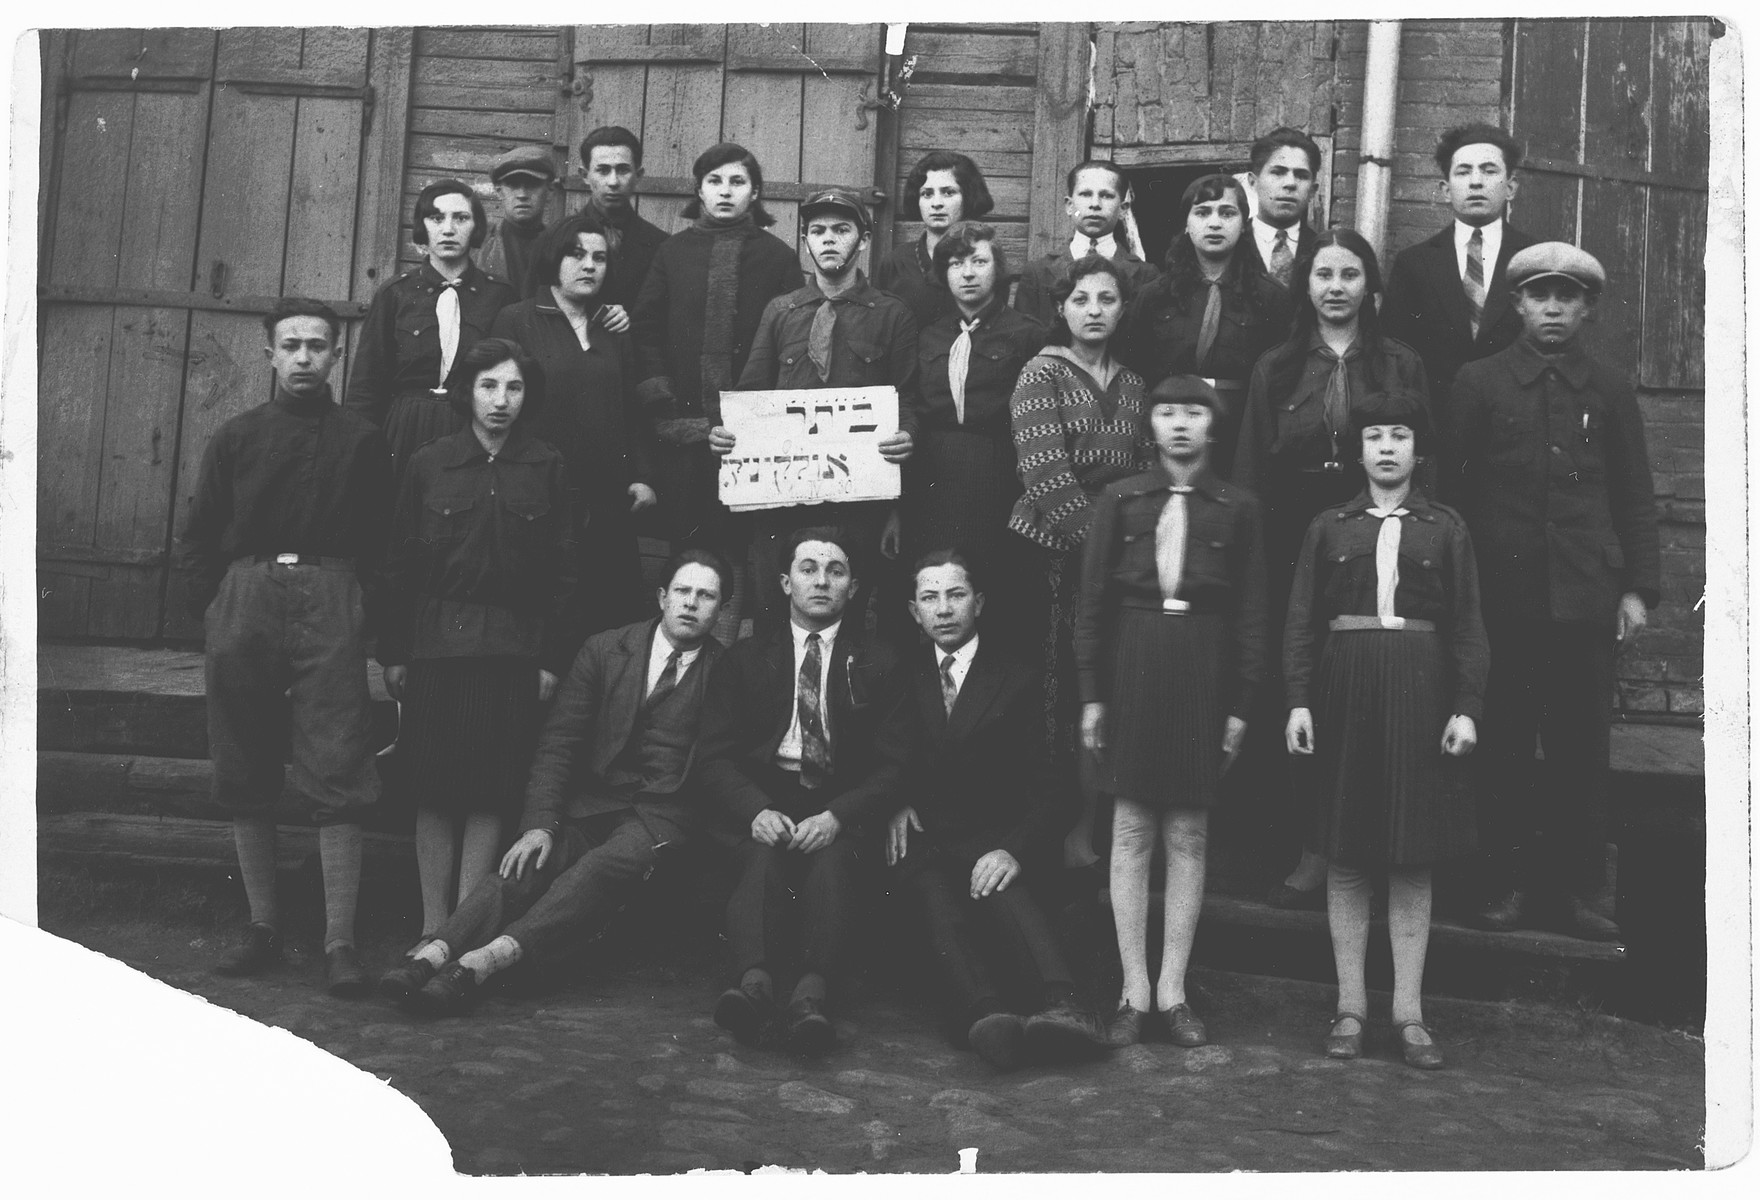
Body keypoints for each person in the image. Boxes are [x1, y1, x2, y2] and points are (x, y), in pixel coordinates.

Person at [377, 551, 732, 1014]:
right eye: (683, 591)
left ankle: (482, 963)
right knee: (526, 863)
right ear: (662, 597)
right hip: (594, 802)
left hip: (661, 816)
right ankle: (433, 956)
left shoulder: (727, 672)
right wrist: (540, 824)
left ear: (721, 610)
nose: (691, 604)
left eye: (706, 596)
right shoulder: (606, 650)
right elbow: (559, 743)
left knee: (598, 869)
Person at [176, 297, 394, 996]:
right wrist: (216, 614)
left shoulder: (362, 439)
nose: (304, 356)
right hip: (247, 597)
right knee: (244, 758)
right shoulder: (236, 437)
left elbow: (385, 542)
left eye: (318, 345)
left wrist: (371, 625)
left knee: (338, 760)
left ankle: (340, 942)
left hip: (332, 596)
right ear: (269, 354)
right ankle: (261, 927)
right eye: (291, 344)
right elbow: (198, 535)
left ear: (337, 356)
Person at [1445, 243, 1660, 942]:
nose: (1553, 308)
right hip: (1502, 603)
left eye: (1567, 297)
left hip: (1585, 601)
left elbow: (1633, 496)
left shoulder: (1609, 388)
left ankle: (1581, 894)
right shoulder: (1479, 384)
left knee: (1579, 749)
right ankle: (1501, 884)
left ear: (1587, 308)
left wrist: (1637, 592)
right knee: (1502, 744)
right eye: (1540, 296)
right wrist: (1458, 596)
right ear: (1517, 303)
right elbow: (1450, 493)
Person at [1283, 395, 1488, 1070]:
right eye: (1375, 436)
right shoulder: (1328, 526)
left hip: (1420, 693)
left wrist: (1466, 707)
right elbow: (1301, 622)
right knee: (1345, 853)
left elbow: (1467, 626)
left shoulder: (1446, 527)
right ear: (1359, 450)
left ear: (1416, 450)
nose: (1388, 448)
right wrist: (1299, 702)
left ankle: (1409, 1013)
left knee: (1409, 854)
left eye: (1400, 435)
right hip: (1346, 691)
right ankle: (1349, 1006)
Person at [1233, 229, 1430, 910]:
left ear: (1370, 288)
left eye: (1351, 274)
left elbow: (1420, 454)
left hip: (1374, 529)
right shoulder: (1277, 367)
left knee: (1366, 685)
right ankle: (1311, 844)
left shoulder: (1400, 363)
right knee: (1303, 683)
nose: (1337, 286)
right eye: (1324, 274)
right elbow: (1252, 471)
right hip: (1295, 534)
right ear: (1307, 285)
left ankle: (1371, 848)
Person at [1076, 376, 1268, 1049]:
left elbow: (1250, 612)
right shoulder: (1121, 500)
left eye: (1193, 414)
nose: (1180, 425)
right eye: (1167, 413)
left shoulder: (1237, 508)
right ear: (1150, 426)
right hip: (1134, 659)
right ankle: (1132, 991)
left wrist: (1242, 704)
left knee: (1187, 833)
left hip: (1203, 666)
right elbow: (1093, 603)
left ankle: (1174, 991)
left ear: (1212, 428)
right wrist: (1093, 694)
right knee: (1130, 830)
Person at [379, 338, 577, 944]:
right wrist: (393, 652)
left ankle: (462, 928)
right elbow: (398, 563)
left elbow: (565, 571)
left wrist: (550, 657)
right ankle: (429, 924)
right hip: (437, 644)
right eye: (489, 386)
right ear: (467, 391)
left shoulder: (547, 465)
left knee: (491, 789)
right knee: (435, 787)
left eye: (514, 388)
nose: (501, 401)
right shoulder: (429, 462)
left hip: (513, 649)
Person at [695, 527, 912, 1056]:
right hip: (765, 794)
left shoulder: (882, 661)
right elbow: (713, 756)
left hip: (839, 798)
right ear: (785, 581)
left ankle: (812, 998)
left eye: (835, 571)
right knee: (760, 858)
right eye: (809, 569)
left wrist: (839, 815)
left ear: (853, 587)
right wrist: (754, 808)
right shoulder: (745, 658)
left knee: (833, 864)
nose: (821, 581)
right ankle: (753, 986)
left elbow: (895, 764)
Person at [886, 550, 1107, 1069]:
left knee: (997, 884)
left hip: (997, 834)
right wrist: (894, 801)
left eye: (956, 595)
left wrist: (1013, 848)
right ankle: (985, 1018)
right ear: (914, 611)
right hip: (928, 840)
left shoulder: (1018, 677)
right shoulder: (902, 674)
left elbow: (1056, 786)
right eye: (930, 598)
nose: (944, 609)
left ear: (978, 603)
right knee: (932, 892)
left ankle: (1064, 1006)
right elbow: (883, 756)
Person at [717, 187, 918, 631]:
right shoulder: (780, 311)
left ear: (863, 240)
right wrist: (730, 433)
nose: (829, 239)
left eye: (842, 230)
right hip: (783, 504)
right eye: (818, 231)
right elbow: (751, 397)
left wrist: (907, 436)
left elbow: (908, 400)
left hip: (858, 503)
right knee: (775, 613)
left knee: (848, 621)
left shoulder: (891, 315)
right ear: (805, 241)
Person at [1007, 255, 1153, 868]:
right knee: (1054, 695)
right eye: (1081, 300)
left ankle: (1090, 831)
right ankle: (1048, 830)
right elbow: (1046, 476)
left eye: (1107, 299)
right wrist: (1106, 549)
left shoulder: (1136, 384)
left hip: (1116, 562)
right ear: (1061, 308)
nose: (1094, 311)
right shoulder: (1040, 375)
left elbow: (1146, 473)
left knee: (1104, 692)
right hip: (1049, 558)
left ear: (1123, 309)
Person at [631, 142, 802, 632]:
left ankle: (730, 645)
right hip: (685, 430)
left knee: (745, 544)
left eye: (737, 182)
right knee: (690, 540)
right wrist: (662, 400)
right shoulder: (673, 252)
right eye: (714, 181)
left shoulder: (777, 257)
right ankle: (684, 641)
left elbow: (790, 341)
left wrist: (761, 417)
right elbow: (645, 328)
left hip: (753, 437)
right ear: (699, 191)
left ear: (755, 193)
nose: (725, 191)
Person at [492, 209, 657, 637]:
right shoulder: (518, 319)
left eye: (599, 258)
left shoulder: (612, 325)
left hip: (607, 499)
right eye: (577, 255)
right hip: (539, 493)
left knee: (609, 621)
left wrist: (642, 476)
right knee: (547, 618)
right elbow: (497, 404)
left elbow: (631, 408)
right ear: (552, 259)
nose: (589, 265)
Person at [899, 221, 1047, 655]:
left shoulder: (1027, 334)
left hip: (998, 473)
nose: (967, 273)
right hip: (933, 478)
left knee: (992, 586)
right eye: (956, 263)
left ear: (997, 269)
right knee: (938, 581)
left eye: (979, 261)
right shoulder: (928, 334)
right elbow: (910, 405)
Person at [1116, 173, 1292, 478]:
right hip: (1172, 431)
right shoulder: (1155, 296)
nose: (1214, 223)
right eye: (1202, 212)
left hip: (1241, 434)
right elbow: (1133, 370)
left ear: (1244, 224)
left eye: (1227, 213)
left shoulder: (1270, 297)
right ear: (1186, 224)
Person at [345, 179, 517, 475]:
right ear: (424, 227)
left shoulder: (499, 295)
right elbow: (367, 384)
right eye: (437, 218)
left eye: (460, 218)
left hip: (471, 427)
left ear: (475, 227)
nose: (448, 229)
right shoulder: (395, 294)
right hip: (405, 427)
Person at [1384, 124, 1540, 410]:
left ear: (1511, 187)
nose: (1476, 182)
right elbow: (1395, 356)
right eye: (1464, 171)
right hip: (1437, 422)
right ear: (1445, 189)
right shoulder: (1414, 264)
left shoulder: (1534, 258)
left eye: (1489, 170)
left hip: (1515, 422)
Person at [1012, 160, 1159, 326]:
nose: (1095, 204)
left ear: (1123, 209)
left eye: (1106, 195)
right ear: (1069, 206)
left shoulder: (1146, 275)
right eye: (1085, 194)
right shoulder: (1037, 273)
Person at [875, 150, 995, 328]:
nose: (936, 203)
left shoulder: (985, 260)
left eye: (948, 193)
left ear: (967, 197)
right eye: (927, 194)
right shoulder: (896, 262)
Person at [578, 125, 670, 311]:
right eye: (603, 170)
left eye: (622, 170)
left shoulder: (662, 245)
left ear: (639, 175)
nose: (613, 182)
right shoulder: (557, 238)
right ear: (585, 176)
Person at [1242, 127, 1322, 290]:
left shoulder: (1323, 249)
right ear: (1253, 182)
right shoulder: (1232, 242)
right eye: (1278, 172)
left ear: (1312, 191)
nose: (1290, 183)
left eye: (1301, 175)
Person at [477, 145, 557, 299]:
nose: (522, 194)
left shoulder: (559, 246)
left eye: (532, 184)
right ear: (499, 191)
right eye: (513, 185)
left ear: (549, 191)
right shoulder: (479, 245)